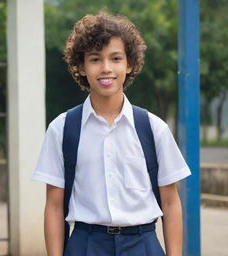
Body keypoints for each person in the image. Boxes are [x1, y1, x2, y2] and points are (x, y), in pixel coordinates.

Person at [32, 11, 191, 256]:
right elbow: (53, 207)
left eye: (115, 58)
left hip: (143, 244)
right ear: (82, 67)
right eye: (95, 59)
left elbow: (171, 203)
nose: (106, 68)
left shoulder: (154, 128)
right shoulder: (62, 129)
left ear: (129, 64)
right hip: (85, 244)